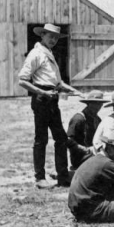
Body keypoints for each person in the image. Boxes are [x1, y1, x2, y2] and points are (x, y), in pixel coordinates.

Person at [18, 23, 81, 189]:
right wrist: (42, 92)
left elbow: (58, 83)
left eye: (56, 37)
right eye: (50, 36)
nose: (53, 40)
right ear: (42, 35)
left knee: (60, 138)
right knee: (41, 139)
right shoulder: (36, 54)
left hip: (53, 99)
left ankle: (62, 177)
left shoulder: (50, 54)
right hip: (41, 99)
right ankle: (40, 178)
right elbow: (22, 80)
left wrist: (74, 90)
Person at [66, 90, 107, 174]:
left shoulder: (97, 119)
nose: (98, 106)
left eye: (100, 104)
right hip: (81, 157)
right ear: (89, 103)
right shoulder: (79, 119)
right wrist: (85, 149)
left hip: (94, 153)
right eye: (95, 103)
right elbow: (68, 140)